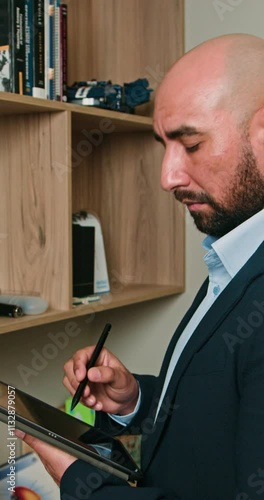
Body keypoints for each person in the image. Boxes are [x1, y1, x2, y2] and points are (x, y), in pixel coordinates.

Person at [17, 33, 264, 499]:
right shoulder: (235, 252)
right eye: (163, 146)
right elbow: (219, 427)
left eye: (190, 144)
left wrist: (79, 480)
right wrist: (133, 401)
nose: (168, 177)